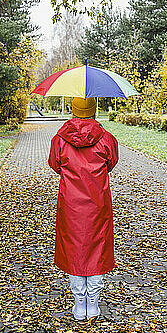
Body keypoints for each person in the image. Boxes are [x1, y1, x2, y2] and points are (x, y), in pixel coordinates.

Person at [48, 97, 119, 321]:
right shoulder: (106, 138)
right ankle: (93, 303)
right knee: (97, 249)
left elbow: (54, 164)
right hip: (97, 203)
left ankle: (79, 303)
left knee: (74, 249)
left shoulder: (60, 139)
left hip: (70, 204)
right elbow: (112, 163)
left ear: (73, 109)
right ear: (94, 110)